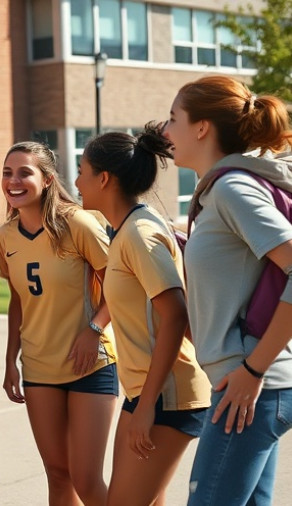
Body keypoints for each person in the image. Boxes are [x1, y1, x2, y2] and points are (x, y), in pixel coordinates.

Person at [160, 75, 292, 505]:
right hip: (249, 383)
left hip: (252, 385)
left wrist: (253, 371)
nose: (165, 130)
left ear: (201, 128)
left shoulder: (233, 189)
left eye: (173, 118)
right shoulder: (221, 189)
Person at [76, 125, 212, 505]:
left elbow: (175, 315)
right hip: (146, 393)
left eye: (82, 171)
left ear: (104, 179)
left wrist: (148, 404)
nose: (76, 181)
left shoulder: (139, 233)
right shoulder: (124, 230)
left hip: (168, 396)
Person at [0, 141, 118, 506]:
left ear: (47, 180)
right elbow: (18, 299)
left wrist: (93, 329)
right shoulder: (5, 236)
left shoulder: (78, 223)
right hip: (38, 368)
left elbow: (119, 286)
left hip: (89, 365)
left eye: (24, 173)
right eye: (7, 172)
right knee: (58, 475)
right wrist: (9, 361)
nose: (13, 181)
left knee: (86, 477)